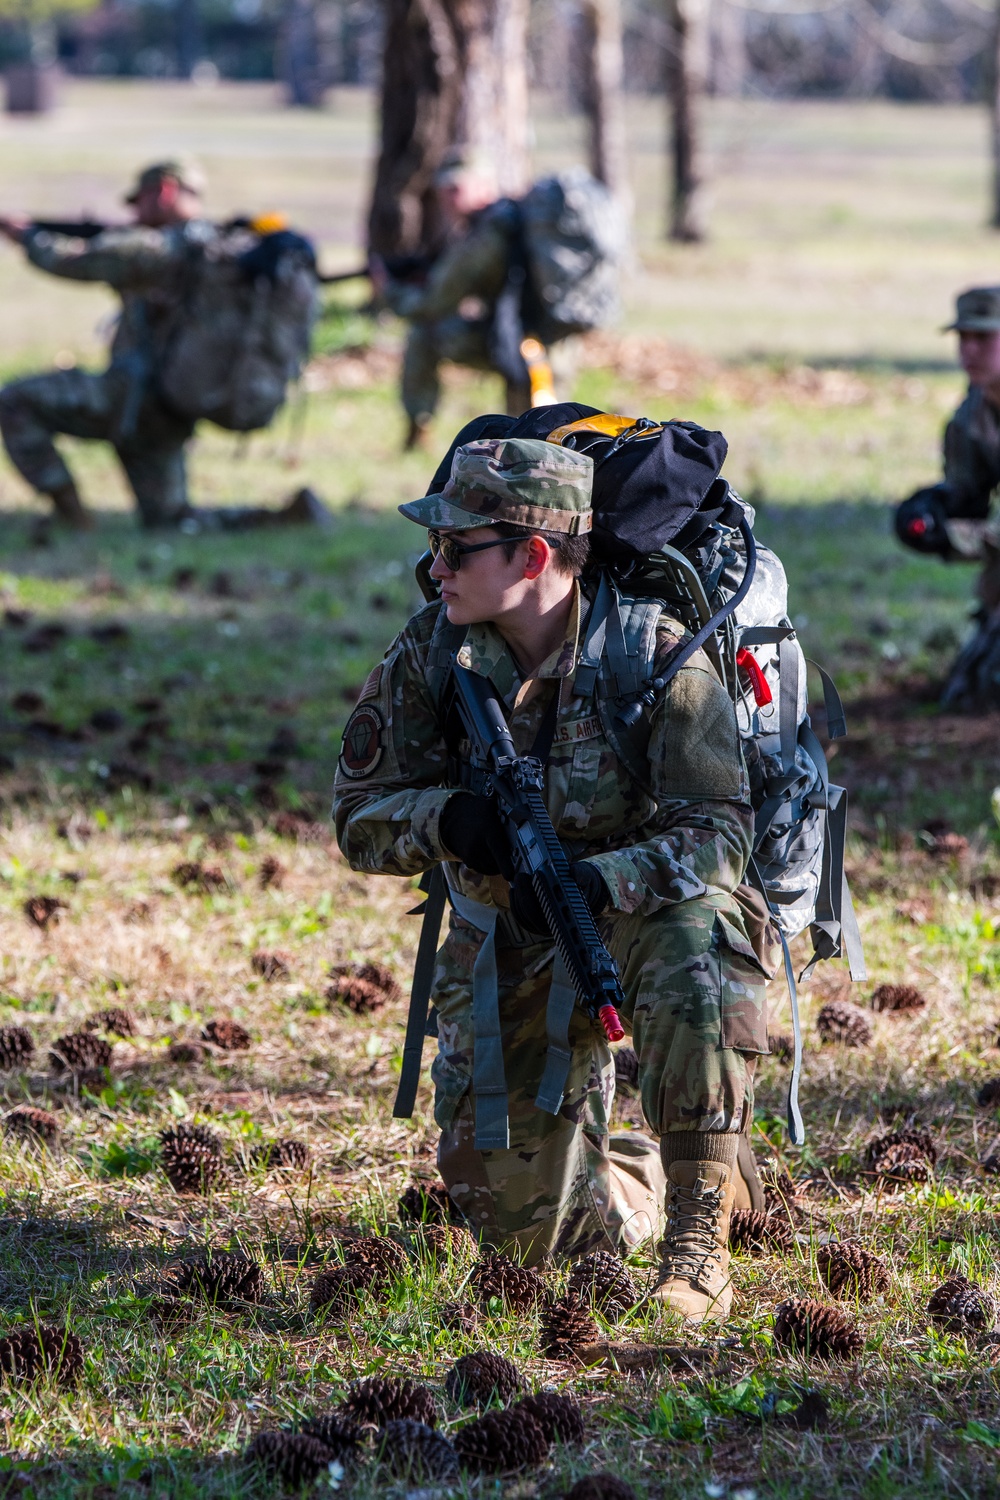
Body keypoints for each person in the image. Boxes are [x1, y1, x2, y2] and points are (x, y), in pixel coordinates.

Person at [333, 435, 771, 1324]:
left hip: (639, 916)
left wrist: (601, 881)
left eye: (457, 548)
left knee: (699, 944)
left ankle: (699, 1234)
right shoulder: (434, 654)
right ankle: (652, 1168)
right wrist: (448, 822)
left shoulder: (657, 657)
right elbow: (356, 816)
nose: (436, 566)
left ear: (533, 555)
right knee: (536, 1240)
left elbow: (722, 834)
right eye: (434, 546)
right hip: (506, 932)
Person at [0, 160, 327, 532]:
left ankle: (71, 516)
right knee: (171, 522)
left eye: (139, 201)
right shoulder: (216, 249)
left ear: (166, 192)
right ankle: (288, 518)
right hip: (168, 409)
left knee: (14, 402)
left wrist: (27, 236)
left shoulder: (161, 248)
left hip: (128, 399)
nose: (134, 213)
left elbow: (75, 261)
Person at [372, 153, 545, 453]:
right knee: (536, 434)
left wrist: (388, 290)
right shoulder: (511, 220)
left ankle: (418, 428)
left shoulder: (487, 233)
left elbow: (433, 304)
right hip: (543, 338)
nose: (447, 200)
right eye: (443, 192)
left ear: (484, 187)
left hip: (527, 347)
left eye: (455, 189)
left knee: (425, 333)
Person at [895, 286, 1000, 611]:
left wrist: (957, 536)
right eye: (962, 338)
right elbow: (968, 494)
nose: (969, 350)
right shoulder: (971, 416)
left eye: (982, 339)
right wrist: (933, 511)